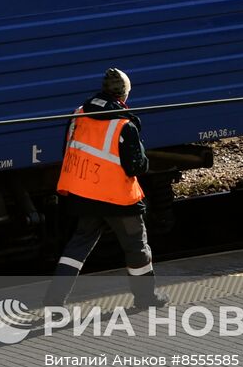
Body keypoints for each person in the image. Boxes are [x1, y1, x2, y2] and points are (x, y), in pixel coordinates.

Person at [43, 68, 168, 312]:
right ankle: (146, 298)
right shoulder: (124, 124)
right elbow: (137, 167)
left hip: (84, 194)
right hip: (117, 200)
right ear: (124, 94)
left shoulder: (79, 113)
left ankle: (53, 301)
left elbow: (69, 149)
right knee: (136, 247)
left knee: (77, 246)